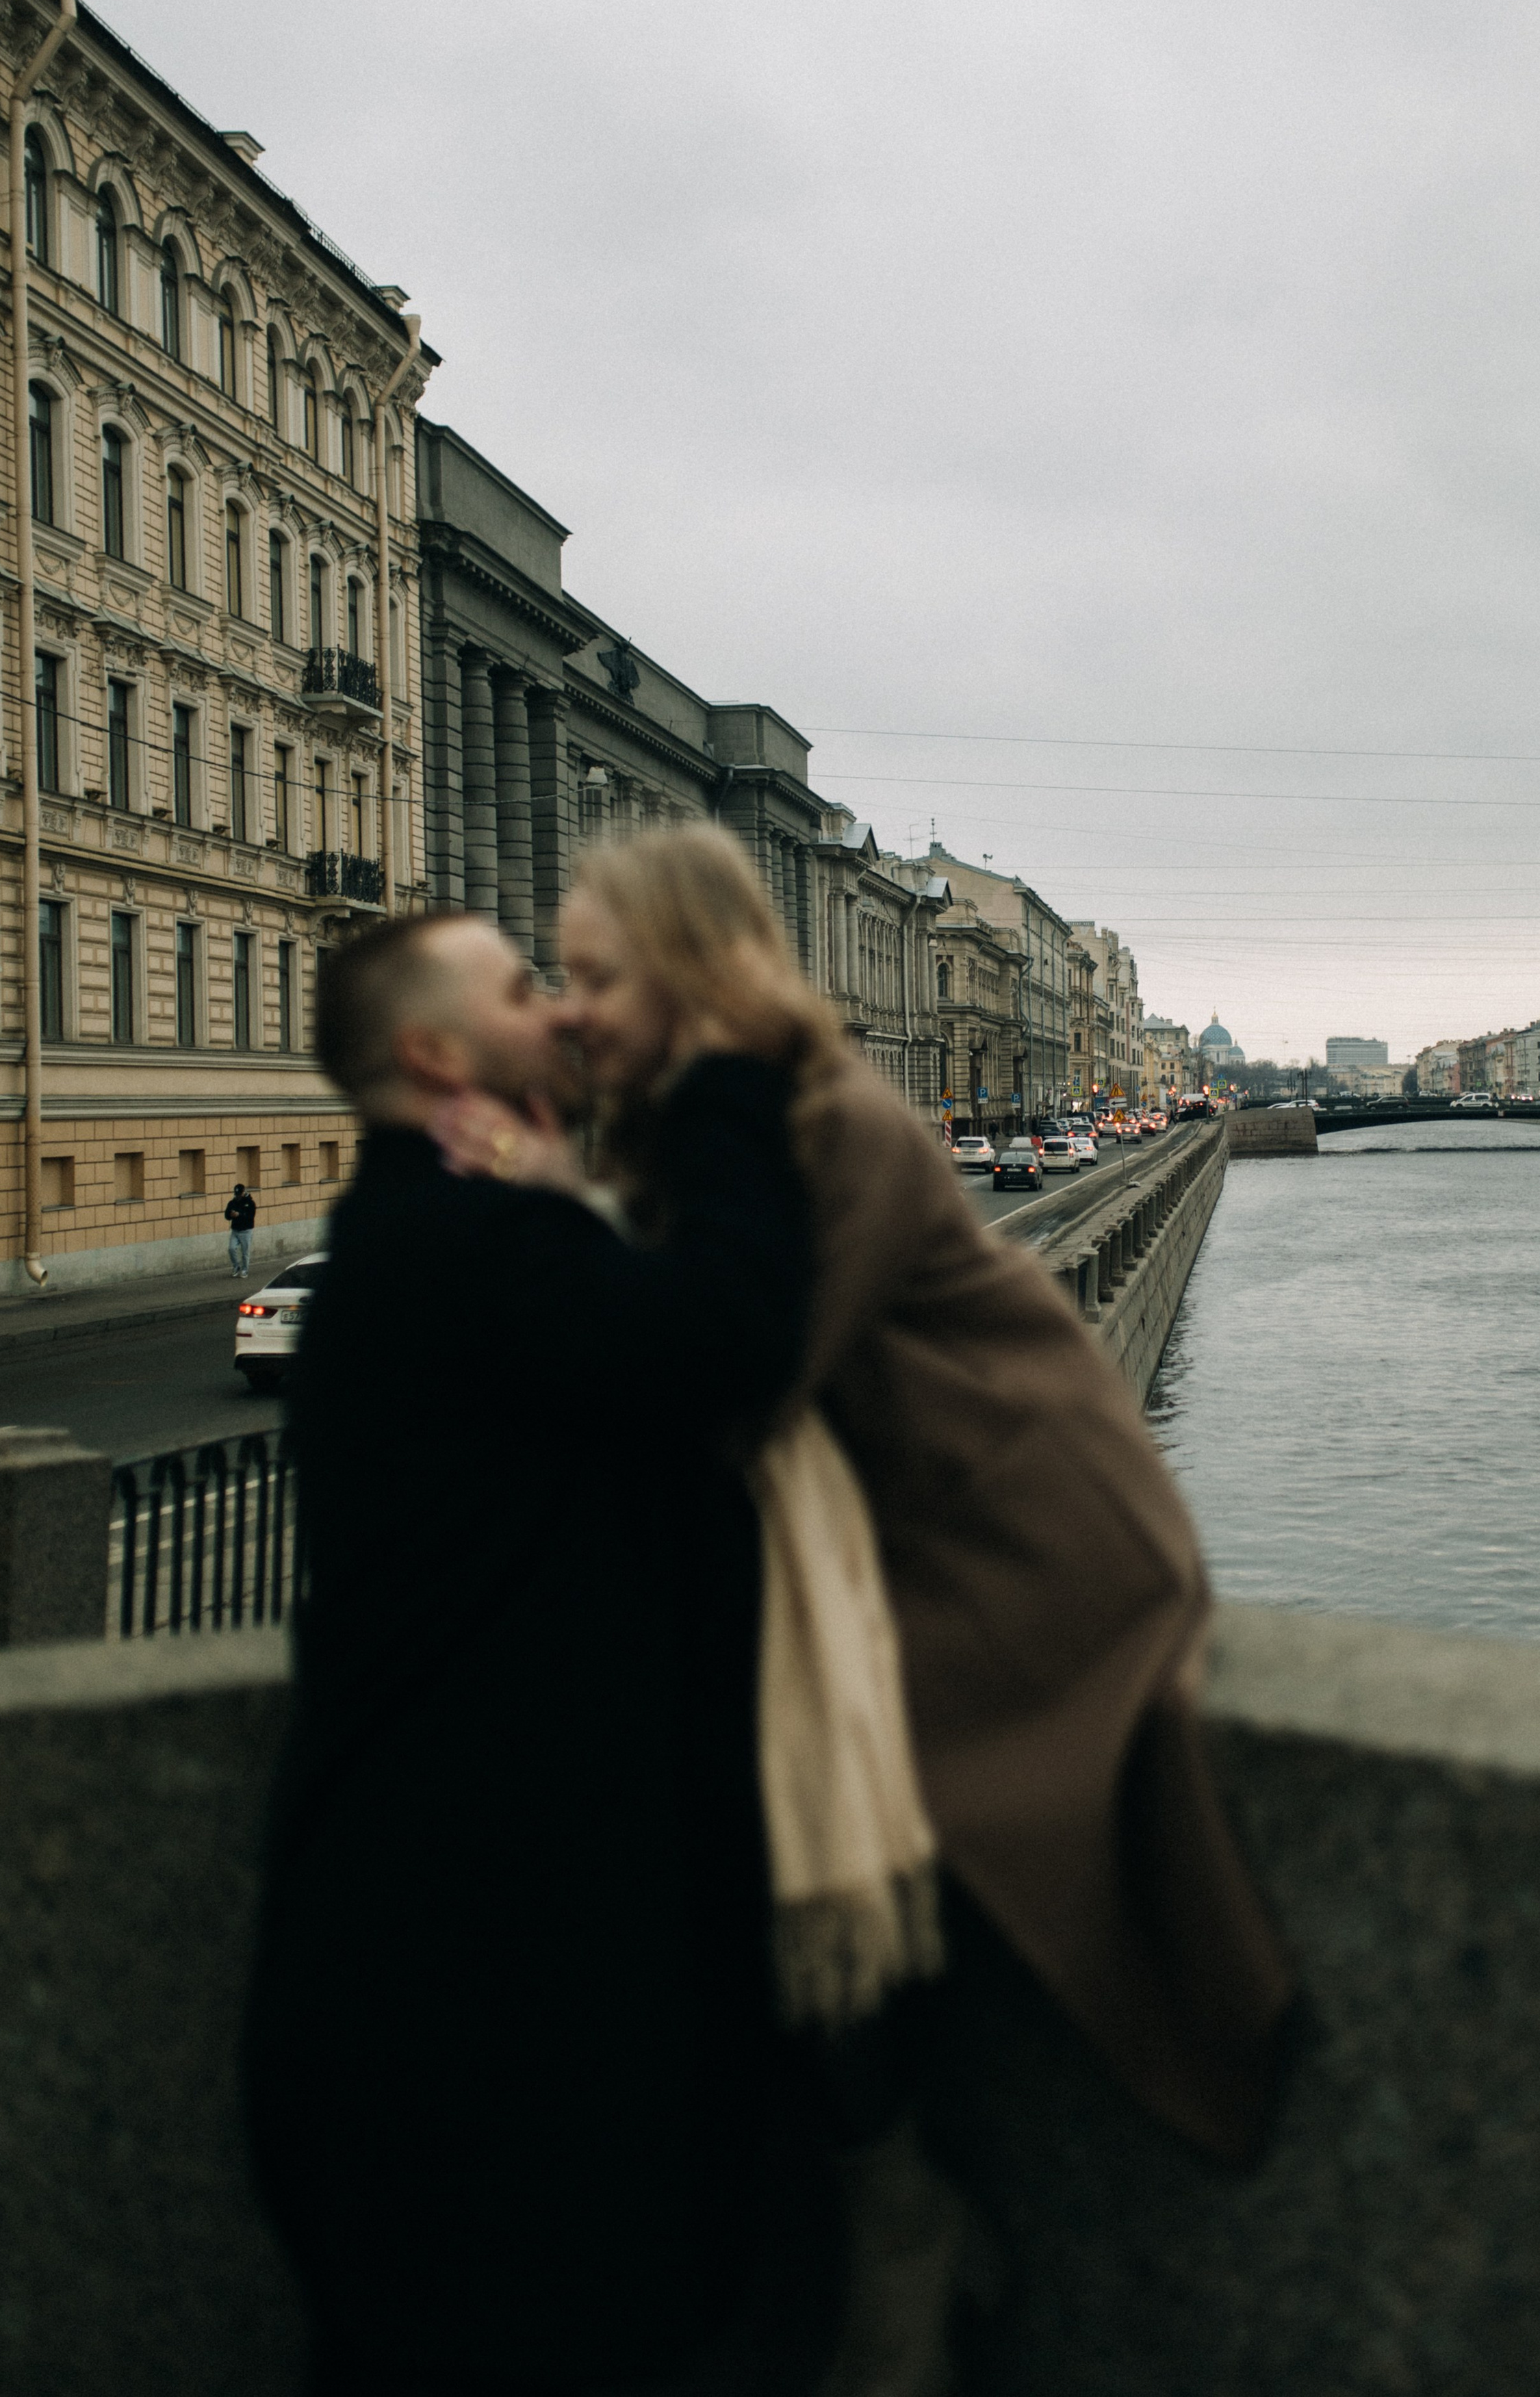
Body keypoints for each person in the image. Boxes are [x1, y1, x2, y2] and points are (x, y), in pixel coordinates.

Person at [437, 830, 1293, 2172]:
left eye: (595, 975)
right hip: (922, 1517)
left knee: (781, 1820)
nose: (565, 1006)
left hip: (1026, 1536)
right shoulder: (711, 1132)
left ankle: (895, 2200)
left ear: (685, 971)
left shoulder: (836, 1127)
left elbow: (728, 1384)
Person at [241, 912, 838, 2397]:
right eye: (526, 989)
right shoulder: (456, 1250)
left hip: (446, 1943)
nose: (566, 1014)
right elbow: (730, 1327)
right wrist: (721, 1080)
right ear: (437, 1054)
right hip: (472, 1979)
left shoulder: (441, 1235)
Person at [224, 1178, 257, 1277]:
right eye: (236, 1194)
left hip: (246, 1231)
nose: (237, 1196)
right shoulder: (232, 1203)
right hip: (235, 1230)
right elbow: (226, 1216)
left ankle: (245, 1269)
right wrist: (231, 1215)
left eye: (239, 1194)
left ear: (243, 1193)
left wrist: (240, 1215)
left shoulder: (250, 1203)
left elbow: (251, 1216)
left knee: (245, 1252)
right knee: (231, 1248)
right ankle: (236, 1266)